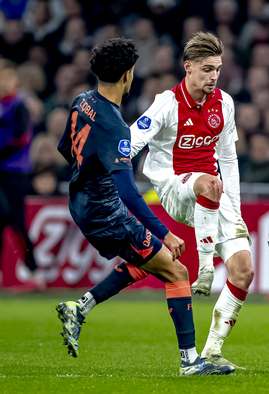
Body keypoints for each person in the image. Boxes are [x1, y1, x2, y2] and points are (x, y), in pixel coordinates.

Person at [55, 38, 233, 376]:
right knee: (177, 271)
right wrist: (164, 232)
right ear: (127, 76)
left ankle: (79, 308)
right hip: (104, 208)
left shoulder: (82, 101)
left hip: (79, 199)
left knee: (150, 262)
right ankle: (189, 361)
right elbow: (127, 190)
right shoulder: (116, 127)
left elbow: (67, 147)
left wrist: (88, 175)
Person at [129, 32, 254, 370]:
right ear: (188, 67)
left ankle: (212, 351)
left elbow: (228, 159)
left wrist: (237, 209)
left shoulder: (225, 103)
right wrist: (111, 162)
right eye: (207, 69)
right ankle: (204, 268)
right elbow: (132, 140)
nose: (214, 76)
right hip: (172, 185)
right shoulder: (166, 103)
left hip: (213, 191)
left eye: (218, 69)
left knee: (244, 271)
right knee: (210, 184)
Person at [0, 59, 45, 290]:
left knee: (17, 222)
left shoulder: (19, 105)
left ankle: (35, 271)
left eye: (7, 78)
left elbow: (20, 139)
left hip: (15, 171)